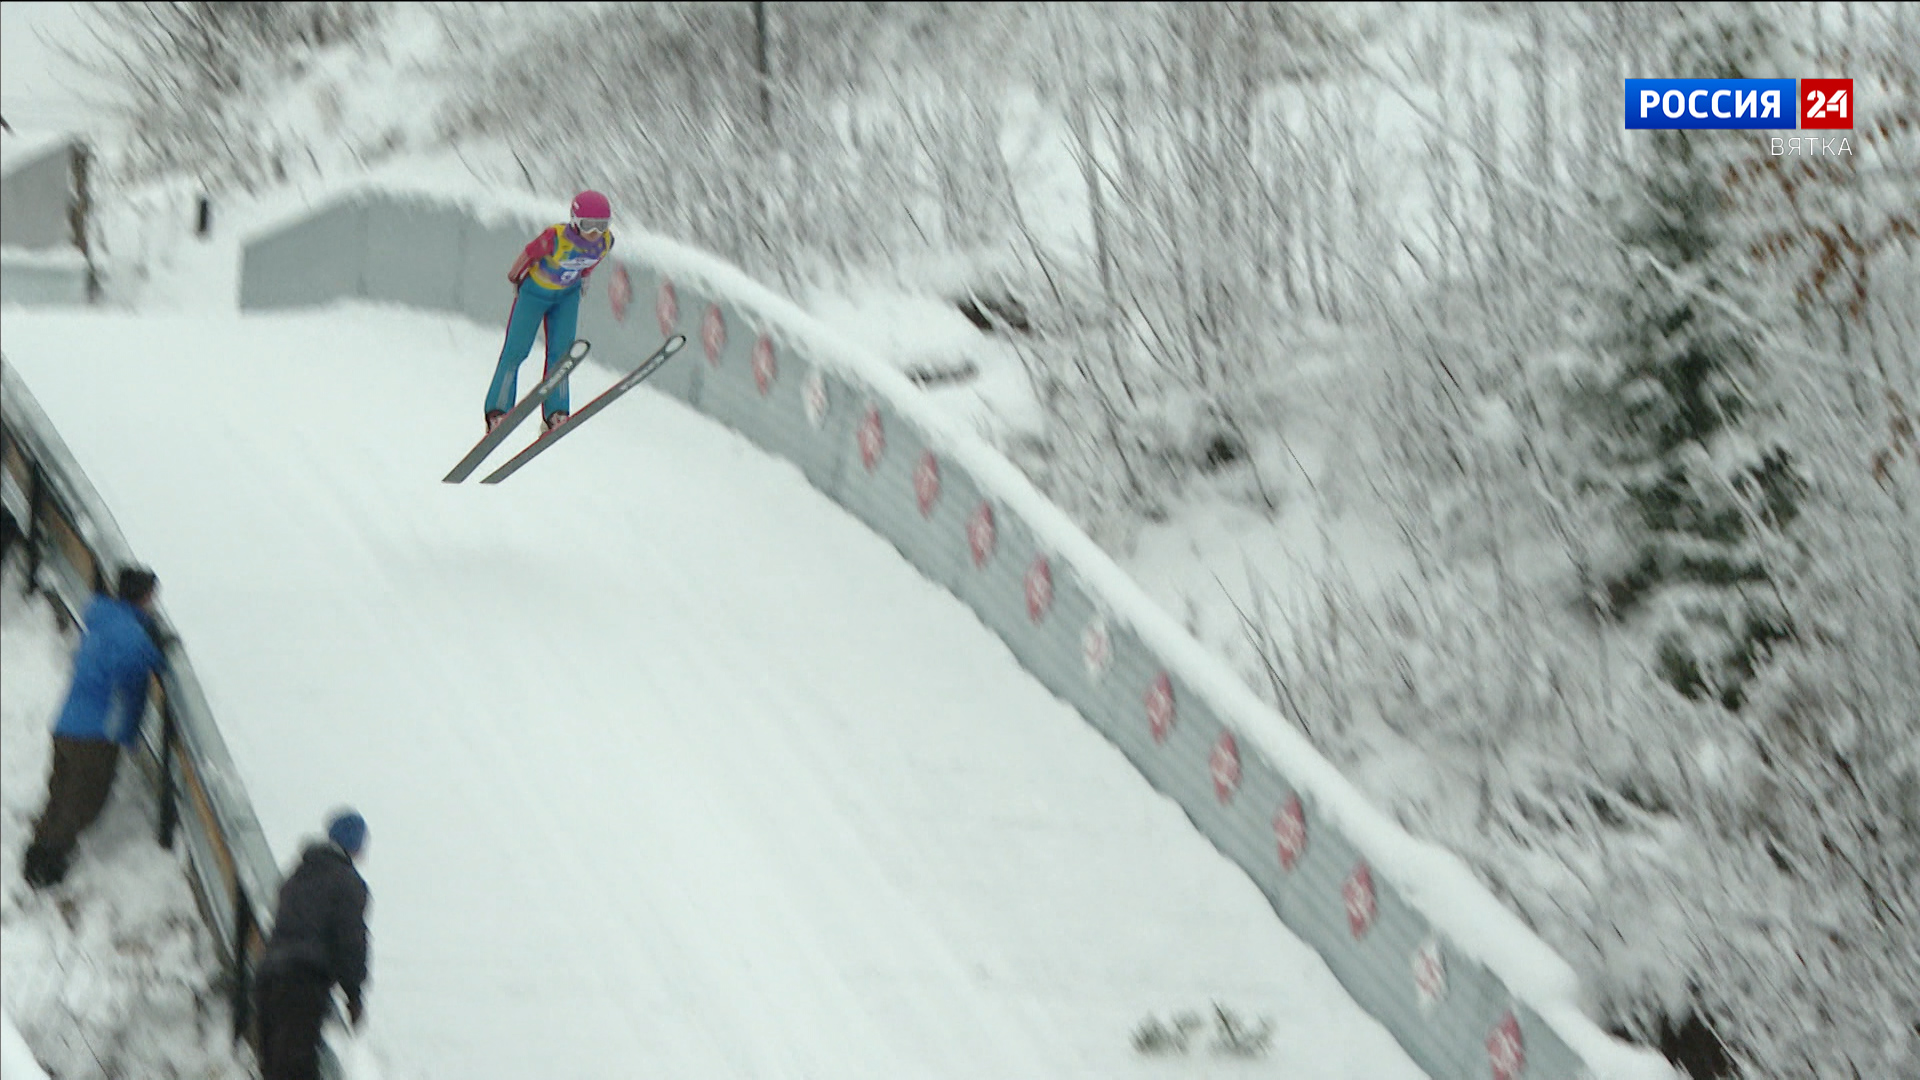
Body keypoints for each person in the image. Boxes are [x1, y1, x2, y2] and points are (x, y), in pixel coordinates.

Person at [22, 565, 170, 889]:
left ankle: (38, 854)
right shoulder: (132, 636)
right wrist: (157, 650)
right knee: (85, 802)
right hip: (96, 734)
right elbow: (132, 680)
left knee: (60, 794)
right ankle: (44, 866)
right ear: (145, 597)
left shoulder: (102, 619)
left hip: (68, 722)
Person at [484, 189, 616, 435]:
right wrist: (516, 279)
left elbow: (590, 262)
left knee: (561, 356)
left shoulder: (605, 242)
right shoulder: (554, 238)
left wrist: (583, 279)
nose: (595, 233)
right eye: (589, 225)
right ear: (575, 222)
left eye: (602, 226)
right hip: (535, 294)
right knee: (515, 351)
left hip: (566, 297)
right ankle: (498, 411)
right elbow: (527, 256)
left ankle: (555, 412)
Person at [254, 809, 372, 1080]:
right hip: (302, 983)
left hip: (268, 978)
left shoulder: (298, 875)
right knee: (296, 1070)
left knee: (274, 1069)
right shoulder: (348, 883)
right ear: (355, 845)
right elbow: (351, 940)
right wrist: (354, 994)